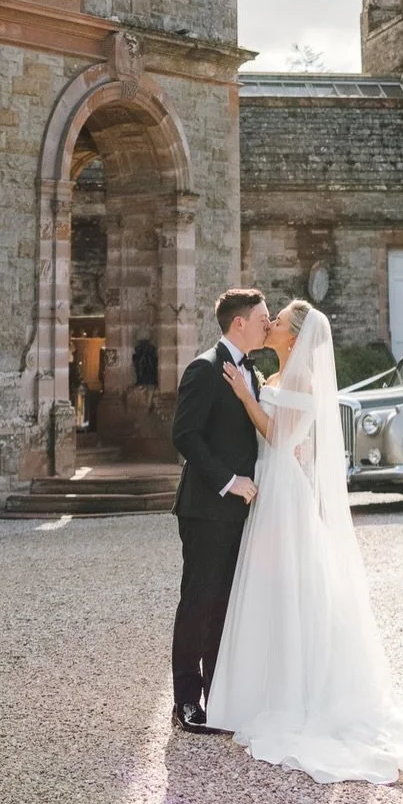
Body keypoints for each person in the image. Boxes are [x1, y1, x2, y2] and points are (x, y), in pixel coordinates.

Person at [206, 300, 403, 784]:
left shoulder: (302, 380)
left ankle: (294, 697)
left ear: (296, 336)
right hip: (272, 487)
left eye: (279, 322)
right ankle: (258, 690)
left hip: (285, 490)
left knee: (291, 590)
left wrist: (247, 398)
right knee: (269, 591)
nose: (272, 325)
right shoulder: (277, 376)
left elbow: (281, 440)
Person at [169, 286, 271, 731]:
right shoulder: (204, 369)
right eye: (264, 317)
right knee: (198, 602)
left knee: (226, 606)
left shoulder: (256, 375)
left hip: (241, 515)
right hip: (206, 510)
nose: (268, 325)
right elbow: (185, 435)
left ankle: (218, 694)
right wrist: (230, 482)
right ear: (239, 323)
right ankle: (186, 702)